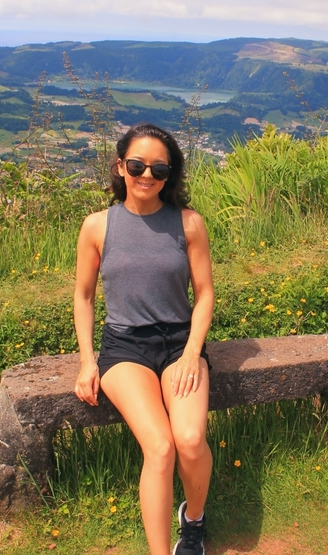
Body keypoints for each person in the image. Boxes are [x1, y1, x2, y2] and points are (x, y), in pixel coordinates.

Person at [73, 122, 214, 555]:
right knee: (160, 446)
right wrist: (87, 361)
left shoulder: (189, 224)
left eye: (159, 169)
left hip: (179, 344)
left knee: (190, 440)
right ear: (120, 166)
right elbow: (83, 296)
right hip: (125, 347)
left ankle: (193, 520)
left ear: (170, 174)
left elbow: (205, 294)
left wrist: (192, 352)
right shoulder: (98, 226)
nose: (147, 175)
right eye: (137, 166)